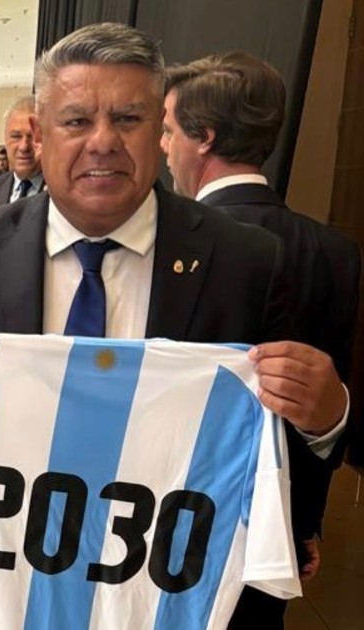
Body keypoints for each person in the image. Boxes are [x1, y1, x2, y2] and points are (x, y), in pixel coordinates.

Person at [0, 23, 349, 627]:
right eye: (77, 121)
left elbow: (273, 453)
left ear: (159, 130)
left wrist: (326, 419)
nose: (103, 141)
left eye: (128, 119)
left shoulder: (247, 261)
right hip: (11, 592)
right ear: (41, 134)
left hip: (168, 596)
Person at [161, 51, 361, 627]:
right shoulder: (336, 253)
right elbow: (321, 418)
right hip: (276, 539)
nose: (163, 147)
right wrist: (303, 523)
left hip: (172, 535)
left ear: (204, 136)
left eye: (169, 131)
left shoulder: (167, 247)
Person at [0, 96, 44, 214]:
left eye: (32, 137)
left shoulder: (65, 196)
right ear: (5, 139)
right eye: (16, 136)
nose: (24, 146)